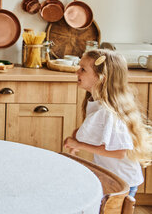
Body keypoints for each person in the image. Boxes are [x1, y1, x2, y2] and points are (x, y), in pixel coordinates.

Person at [63, 49, 152, 198]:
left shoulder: (109, 112)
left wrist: (80, 145)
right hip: (112, 178)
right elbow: (100, 130)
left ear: (101, 78)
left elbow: (120, 152)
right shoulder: (97, 103)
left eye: (83, 69)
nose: (77, 72)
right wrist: (77, 137)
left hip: (122, 183)